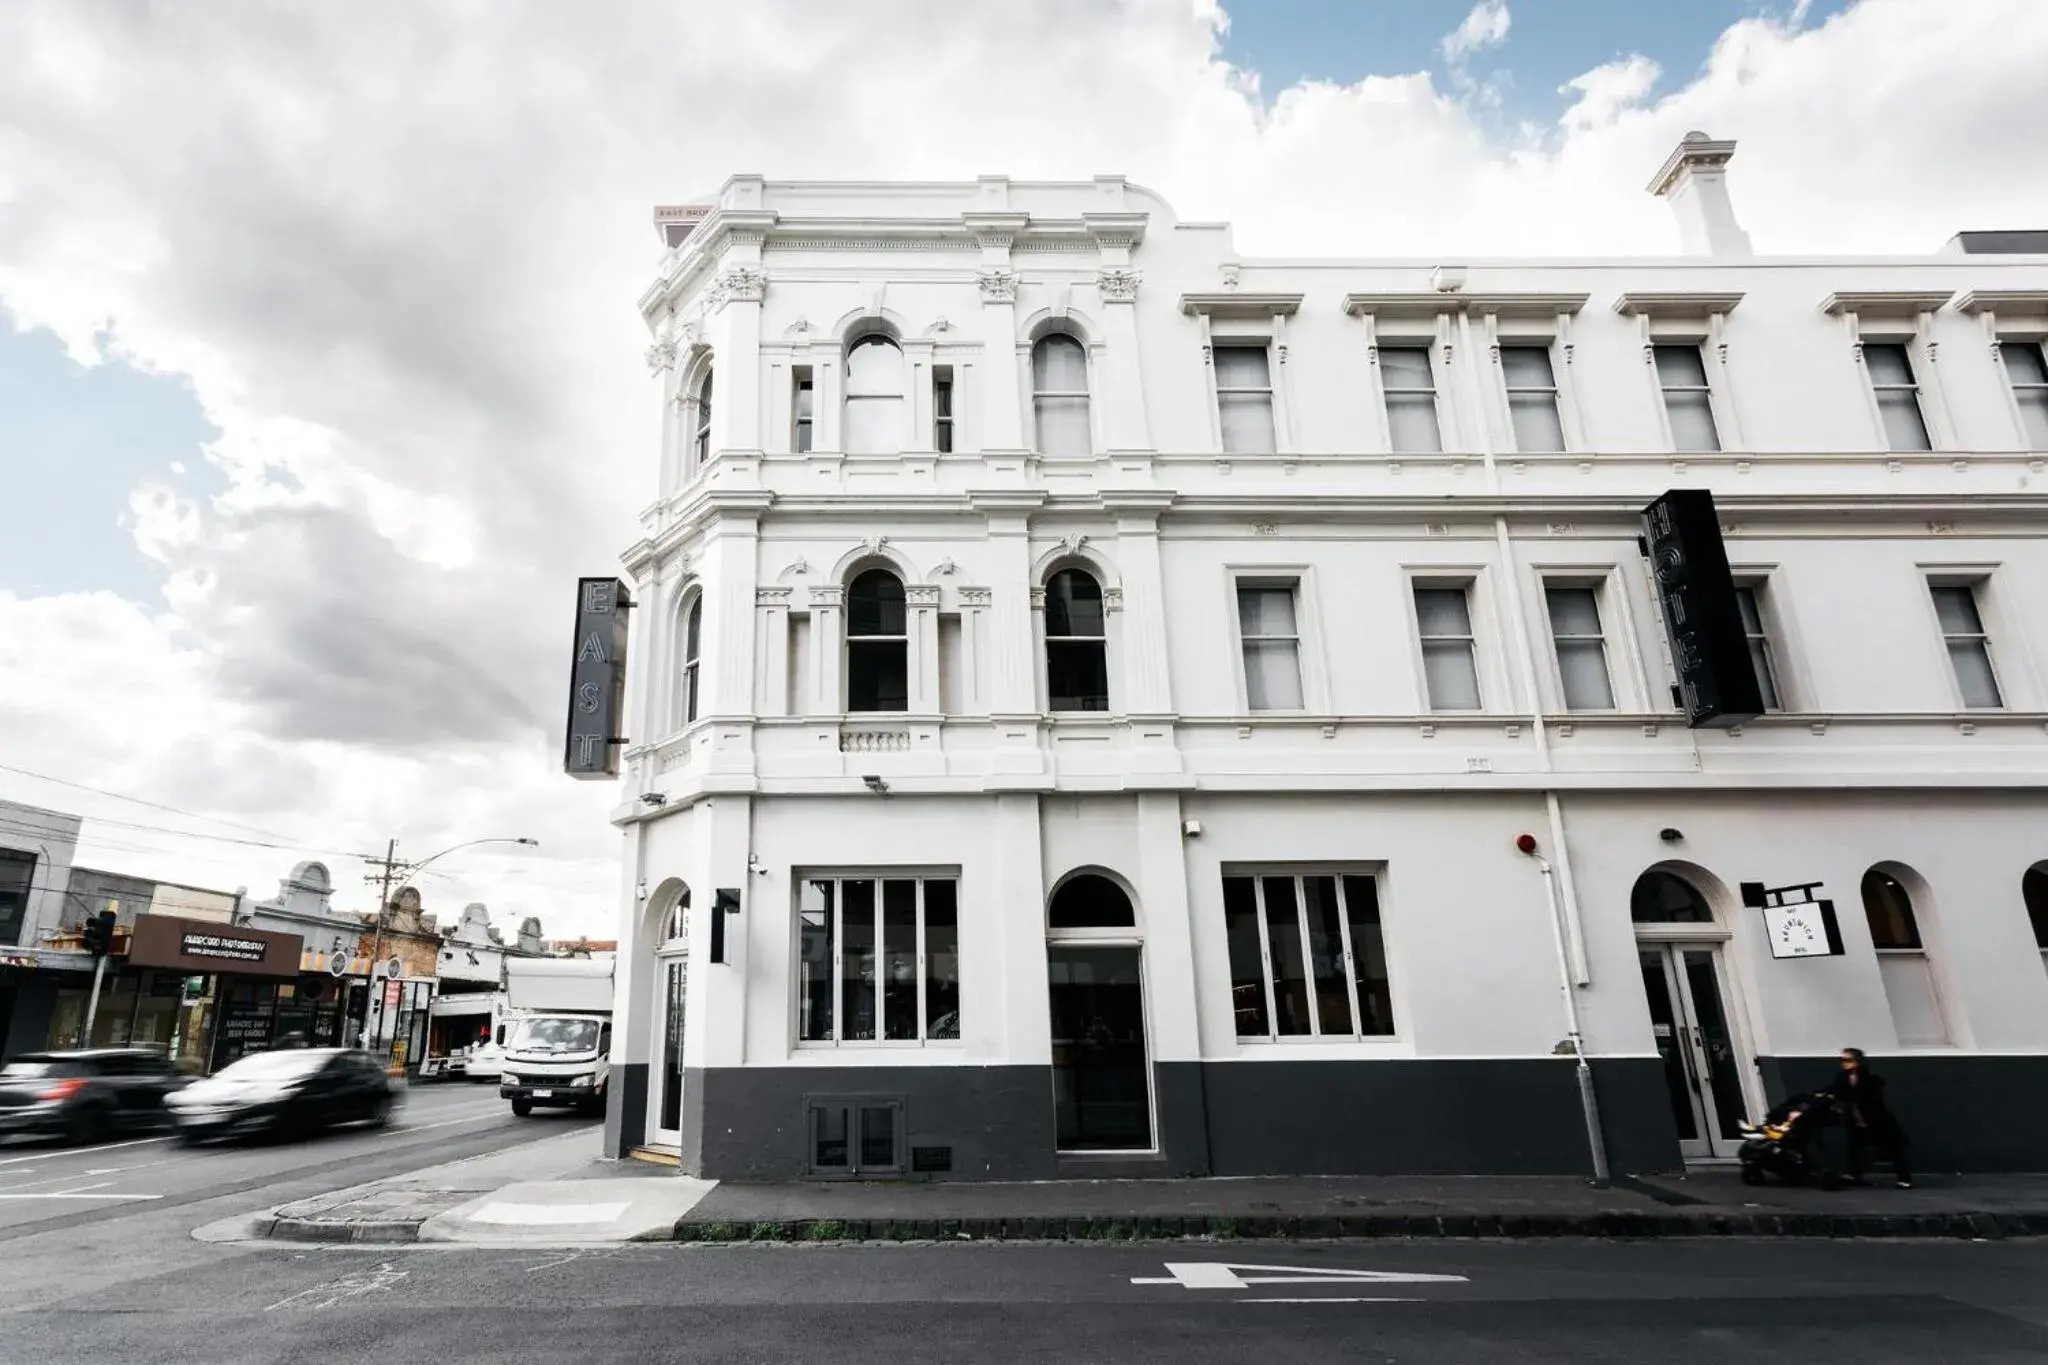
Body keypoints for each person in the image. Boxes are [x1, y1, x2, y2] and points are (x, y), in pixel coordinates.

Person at [1832, 1047, 1912, 1189]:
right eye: (1842, 1060)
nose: (1844, 1063)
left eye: (1848, 1060)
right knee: (1854, 1147)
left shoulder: (1869, 1078)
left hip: (1876, 1120)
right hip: (1856, 1119)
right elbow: (1834, 1090)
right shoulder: (1842, 1077)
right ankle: (1854, 1174)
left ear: (1857, 1062)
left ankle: (1904, 1179)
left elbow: (1870, 1096)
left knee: (1893, 1148)